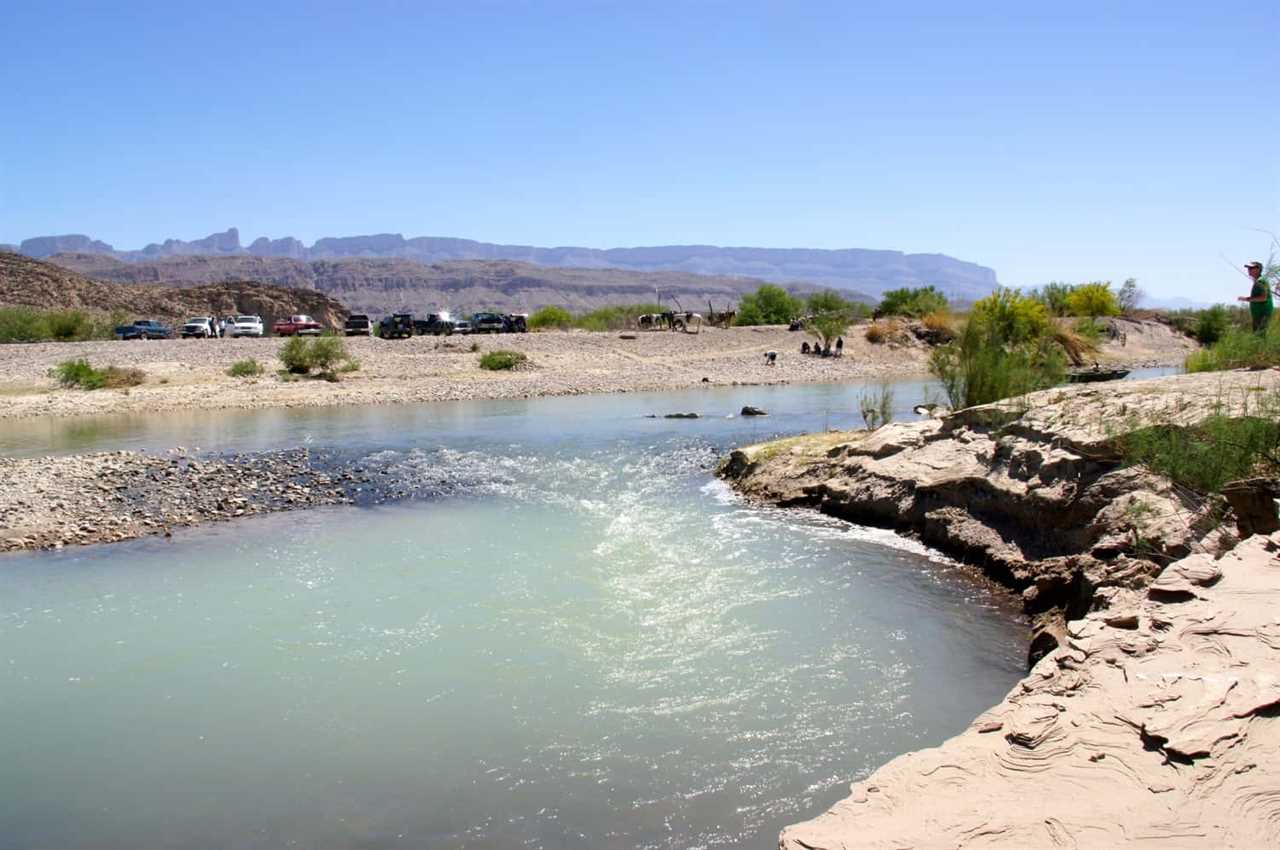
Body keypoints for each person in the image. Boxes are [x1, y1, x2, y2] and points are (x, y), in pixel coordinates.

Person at [1239, 261, 1274, 334]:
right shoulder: (1258, 281)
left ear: (1258, 269)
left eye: (1251, 268)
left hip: (1262, 314)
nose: (1249, 269)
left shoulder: (1261, 281)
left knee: (1260, 336)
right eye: (1248, 268)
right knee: (1258, 335)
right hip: (1258, 315)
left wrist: (1247, 299)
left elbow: (1264, 297)